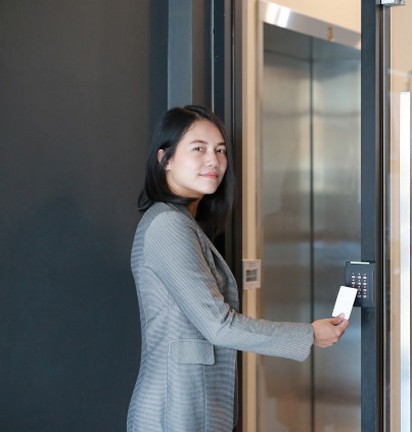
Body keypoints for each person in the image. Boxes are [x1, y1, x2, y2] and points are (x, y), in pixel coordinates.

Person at [127, 105, 349, 431]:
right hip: (175, 410)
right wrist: (309, 334)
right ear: (166, 159)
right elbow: (219, 326)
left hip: (189, 405)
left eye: (220, 150)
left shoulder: (181, 224)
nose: (213, 161)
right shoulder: (167, 226)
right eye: (198, 149)